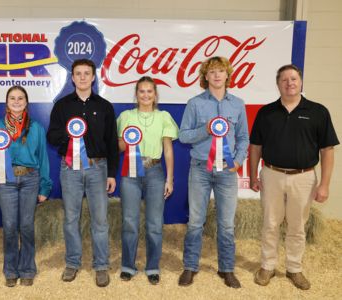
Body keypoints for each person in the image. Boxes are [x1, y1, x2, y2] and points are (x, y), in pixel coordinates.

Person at [250, 64, 339, 290]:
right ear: (278, 84)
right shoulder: (266, 112)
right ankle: (267, 265)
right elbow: (255, 146)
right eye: (284, 80)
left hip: (304, 178)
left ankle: (294, 268)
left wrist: (325, 185)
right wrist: (253, 175)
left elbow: (327, 150)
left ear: (301, 82)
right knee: (270, 223)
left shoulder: (318, 112)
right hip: (271, 175)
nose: (290, 83)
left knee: (297, 226)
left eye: (294, 79)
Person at [178, 56, 249, 288]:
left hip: (227, 171)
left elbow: (243, 138)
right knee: (196, 221)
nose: (217, 75)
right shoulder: (195, 103)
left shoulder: (237, 104)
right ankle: (190, 267)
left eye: (221, 71)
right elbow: (184, 135)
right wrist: (205, 129)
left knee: (227, 224)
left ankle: (226, 269)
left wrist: (238, 161)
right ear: (205, 76)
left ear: (228, 75)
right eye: (212, 71)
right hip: (200, 168)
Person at [47, 59, 119, 287]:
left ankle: (101, 265)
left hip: (98, 168)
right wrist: (70, 136)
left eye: (87, 73)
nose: (82, 77)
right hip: (70, 169)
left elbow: (111, 143)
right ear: (72, 78)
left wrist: (112, 174)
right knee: (71, 218)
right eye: (78, 74)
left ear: (94, 77)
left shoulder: (105, 106)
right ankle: (72, 263)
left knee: (100, 220)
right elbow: (52, 136)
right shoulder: (61, 106)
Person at [0, 86, 52, 287]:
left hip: (30, 179)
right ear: (7, 102)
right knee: (9, 226)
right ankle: (10, 269)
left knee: (26, 225)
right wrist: (0, 153)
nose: (16, 101)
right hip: (6, 180)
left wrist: (44, 187)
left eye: (20, 98)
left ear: (26, 102)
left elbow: (43, 158)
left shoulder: (37, 127)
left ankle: (27, 269)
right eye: (12, 98)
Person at [116, 76, 178, 285]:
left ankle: (152, 266)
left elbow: (168, 150)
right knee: (129, 222)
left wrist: (169, 178)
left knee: (154, 223)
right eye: (141, 91)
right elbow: (118, 147)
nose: (145, 95)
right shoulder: (125, 116)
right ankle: (127, 265)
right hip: (130, 172)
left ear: (155, 94)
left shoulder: (164, 117)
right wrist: (127, 140)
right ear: (136, 94)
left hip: (155, 171)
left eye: (149, 91)